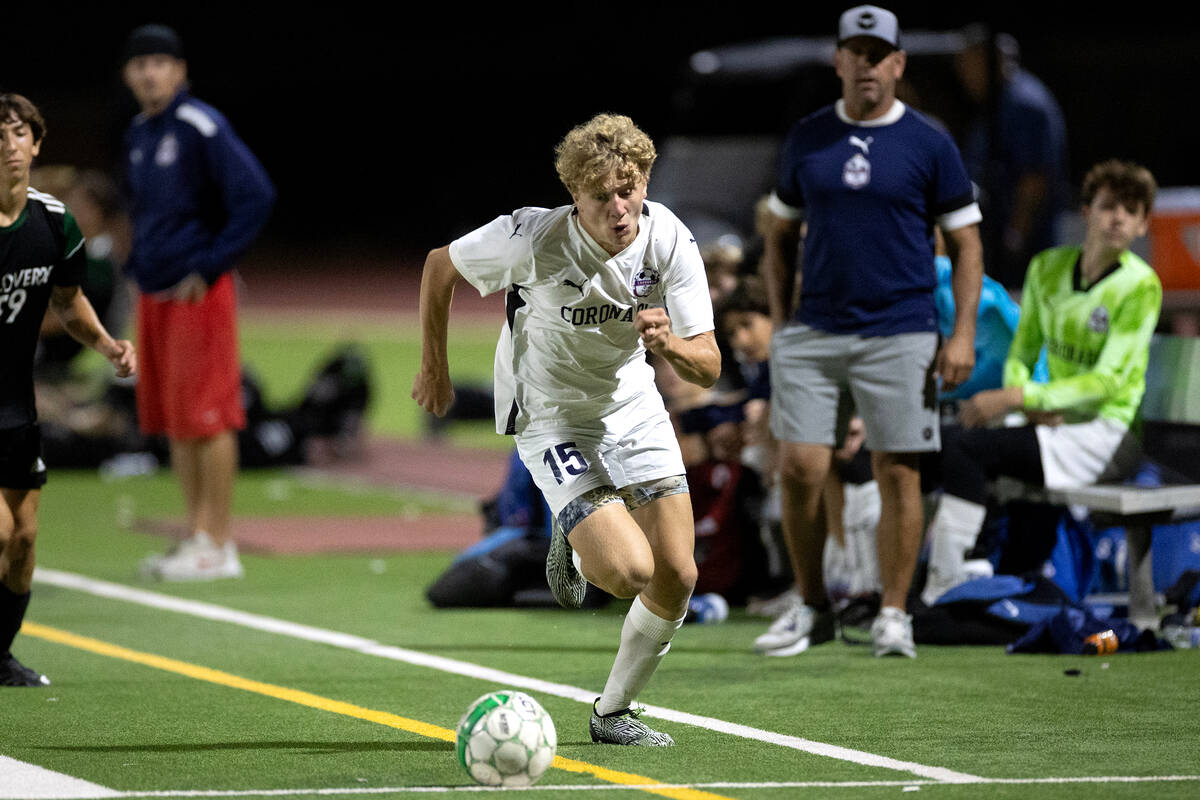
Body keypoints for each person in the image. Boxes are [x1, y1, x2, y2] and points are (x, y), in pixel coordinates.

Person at [412, 113, 719, 745]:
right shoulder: (531, 237)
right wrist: (435, 368)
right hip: (552, 414)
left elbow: (709, 365)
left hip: (633, 401)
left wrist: (671, 347)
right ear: (573, 196)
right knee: (628, 573)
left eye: (629, 189)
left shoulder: (669, 239)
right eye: (601, 195)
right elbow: (439, 267)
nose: (619, 207)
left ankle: (612, 714)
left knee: (679, 575)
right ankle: (574, 531)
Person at [755, 5, 984, 659]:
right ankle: (813, 605)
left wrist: (960, 334)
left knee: (898, 473)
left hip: (902, 329)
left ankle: (892, 613)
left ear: (898, 63)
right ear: (838, 61)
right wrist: (780, 320)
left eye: (878, 53)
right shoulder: (807, 137)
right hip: (817, 330)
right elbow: (779, 234)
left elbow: (968, 244)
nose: (866, 64)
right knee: (800, 470)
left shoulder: (930, 142)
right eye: (855, 52)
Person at [921, 160, 1162, 604]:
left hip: (1106, 433)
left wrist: (1019, 396)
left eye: (1132, 210)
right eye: (1110, 206)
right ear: (1086, 212)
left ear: (1144, 224)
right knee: (950, 446)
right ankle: (960, 577)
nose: (1119, 218)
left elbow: (1109, 380)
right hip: (1048, 420)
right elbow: (1024, 350)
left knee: (968, 448)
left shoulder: (1140, 287)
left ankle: (952, 577)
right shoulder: (1046, 268)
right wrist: (1024, 403)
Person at [120, 24, 275, 581]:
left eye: (160, 62)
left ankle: (220, 541)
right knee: (175, 419)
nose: (149, 72)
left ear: (180, 71)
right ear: (127, 75)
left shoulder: (200, 125)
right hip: (156, 294)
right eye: (140, 64)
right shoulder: (139, 132)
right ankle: (196, 536)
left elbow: (256, 196)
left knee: (210, 417)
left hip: (197, 294)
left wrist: (209, 265)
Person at [0, 93, 137, 686]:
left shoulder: (54, 222)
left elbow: (69, 300)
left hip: (16, 404)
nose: (10, 145)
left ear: (37, 143)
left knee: (24, 540)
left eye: (19, 133)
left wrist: (106, 345)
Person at [954, 25, 1068, 290]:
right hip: (1001, 238)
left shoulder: (1024, 103)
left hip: (1026, 244)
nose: (964, 75)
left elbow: (1035, 177)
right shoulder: (998, 101)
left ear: (989, 60)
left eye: (968, 64)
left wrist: (1015, 236)